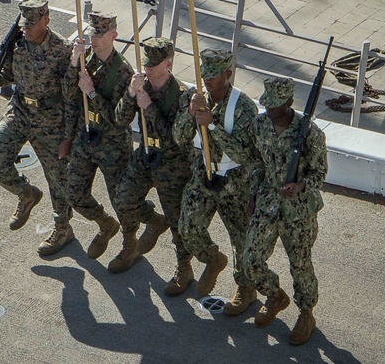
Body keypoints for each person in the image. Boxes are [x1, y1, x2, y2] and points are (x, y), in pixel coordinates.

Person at [0, 0, 76, 256]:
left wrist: (68, 136)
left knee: (59, 180)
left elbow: (72, 96)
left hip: (51, 121)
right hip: (19, 111)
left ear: (46, 20)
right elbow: (9, 73)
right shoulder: (17, 43)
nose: (27, 28)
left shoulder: (62, 50)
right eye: (24, 23)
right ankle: (26, 193)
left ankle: (63, 229)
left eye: (32, 23)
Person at [240, 76, 328, 346]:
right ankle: (274, 295)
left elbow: (321, 172)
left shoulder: (310, 133)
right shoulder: (260, 125)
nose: (270, 110)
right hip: (267, 202)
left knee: (300, 265)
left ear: (290, 103)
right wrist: (253, 194)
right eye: (267, 105)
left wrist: (301, 185)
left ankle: (306, 313)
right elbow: (256, 163)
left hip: (298, 211)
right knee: (250, 260)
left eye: (276, 106)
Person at [173, 48, 260, 307]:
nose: (208, 82)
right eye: (204, 75)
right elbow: (179, 138)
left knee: (241, 238)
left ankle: (246, 288)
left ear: (228, 74)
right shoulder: (195, 96)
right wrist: (190, 114)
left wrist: (212, 124)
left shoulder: (243, 107)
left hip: (235, 179)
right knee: (188, 227)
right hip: (206, 172)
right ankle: (212, 258)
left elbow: (245, 154)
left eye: (214, 76)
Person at [110, 37, 192, 293]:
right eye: (146, 63)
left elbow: (175, 138)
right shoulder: (141, 85)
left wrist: (150, 107)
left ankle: (184, 267)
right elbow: (120, 120)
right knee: (123, 198)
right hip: (146, 156)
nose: (148, 69)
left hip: (172, 164)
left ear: (168, 63)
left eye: (154, 65)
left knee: (177, 220)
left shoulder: (182, 96)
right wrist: (131, 94)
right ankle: (135, 239)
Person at [62, 12, 134, 261]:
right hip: (86, 137)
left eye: (100, 34)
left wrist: (92, 93)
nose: (94, 39)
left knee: (120, 199)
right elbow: (69, 94)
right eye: (92, 33)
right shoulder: (85, 61)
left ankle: (129, 244)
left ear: (113, 35)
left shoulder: (124, 71)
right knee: (74, 193)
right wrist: (74, 62)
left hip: (112, 144)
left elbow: (118, 119)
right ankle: (105, 224)